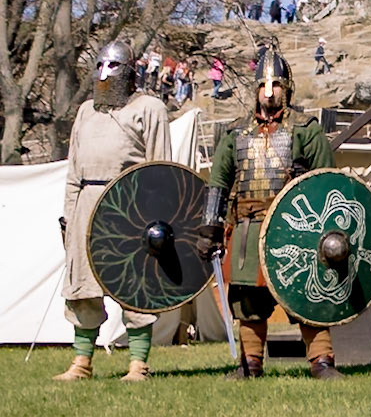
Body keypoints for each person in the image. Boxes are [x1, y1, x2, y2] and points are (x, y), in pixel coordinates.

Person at [197, 45, 339, 379]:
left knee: (306, 292)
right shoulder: (235, 133)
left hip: (296, 228)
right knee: (248, 300)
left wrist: (307, 179)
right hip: (247, 226)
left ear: (287, 88)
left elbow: (329, 184)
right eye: (263, 85)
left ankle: (321, 362)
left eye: (275, 85)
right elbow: (219, 180)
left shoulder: (307, 130)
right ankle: (250, 363)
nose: (269, 92)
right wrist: (211, 227)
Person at [54, 40, 172, 383]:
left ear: (130, 72)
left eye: (114, 66)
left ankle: (138, 364)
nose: (105, 74)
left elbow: (160, 168)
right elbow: (74, 173)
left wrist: (154, 218)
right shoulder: (86, 111)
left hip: (128, 208)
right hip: (87, 205)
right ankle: (82, 363)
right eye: (100, 66)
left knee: (133, 285)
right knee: (83, 287)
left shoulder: (149, 108)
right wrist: (70, 218)